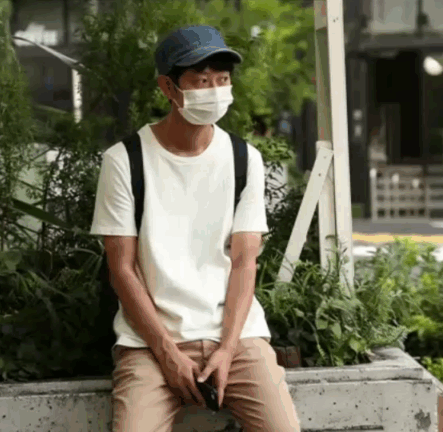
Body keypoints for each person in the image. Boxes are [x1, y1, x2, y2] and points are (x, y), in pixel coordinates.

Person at [90, 25, 300, 432]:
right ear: (168, 87)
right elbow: (122, 269)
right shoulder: (125, 160)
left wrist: (227, 349)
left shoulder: (244, 159)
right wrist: (167, 353)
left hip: (238, 338)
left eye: (222, 79)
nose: (215, 90)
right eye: (201, 81)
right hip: (149, 343)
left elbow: (244, 262)